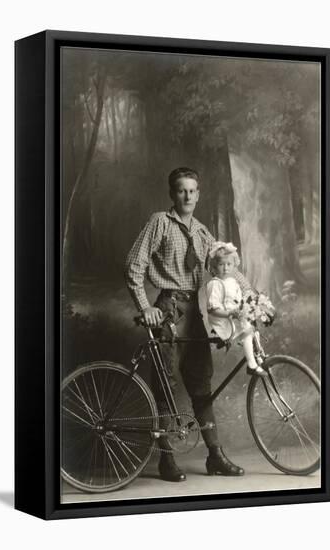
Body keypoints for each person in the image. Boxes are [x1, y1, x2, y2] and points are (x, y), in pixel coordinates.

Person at [125, 167, 247, 482]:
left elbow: (226, 269)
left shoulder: (203, 233)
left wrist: (254, 298)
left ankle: (216, 456)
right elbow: (134, 264)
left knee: (201, 385)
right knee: (166, 386)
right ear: (172, 193)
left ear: (199, 194)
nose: (188, 196)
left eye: (192, 190)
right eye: (182, 190)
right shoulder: (159, 223)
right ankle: (167, 460)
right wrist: (145, 306)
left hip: (196, 312)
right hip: (169, 310)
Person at [206, 243, 268, 377]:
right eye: (222, 264)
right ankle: (251, 365)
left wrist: (249, 307)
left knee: (254, 330)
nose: (226, 268)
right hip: (222, 320)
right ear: (215, 266)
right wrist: (230, 313)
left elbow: (239, 300)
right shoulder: (215, 284)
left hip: (234, 316)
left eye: (229, 264)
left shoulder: (232, 281)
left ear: (234, 265)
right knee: (247, 332)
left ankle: (258, 357)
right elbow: (212, 309)